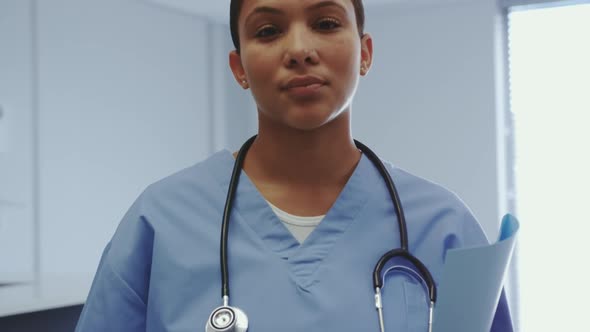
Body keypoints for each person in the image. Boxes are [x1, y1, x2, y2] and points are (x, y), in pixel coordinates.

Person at [75, 0, 513, 331]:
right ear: (239, 67)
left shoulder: (444, 225)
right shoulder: (161, 222)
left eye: (325, 23)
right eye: (268, 31)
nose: (300, 50)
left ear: (364, 53)